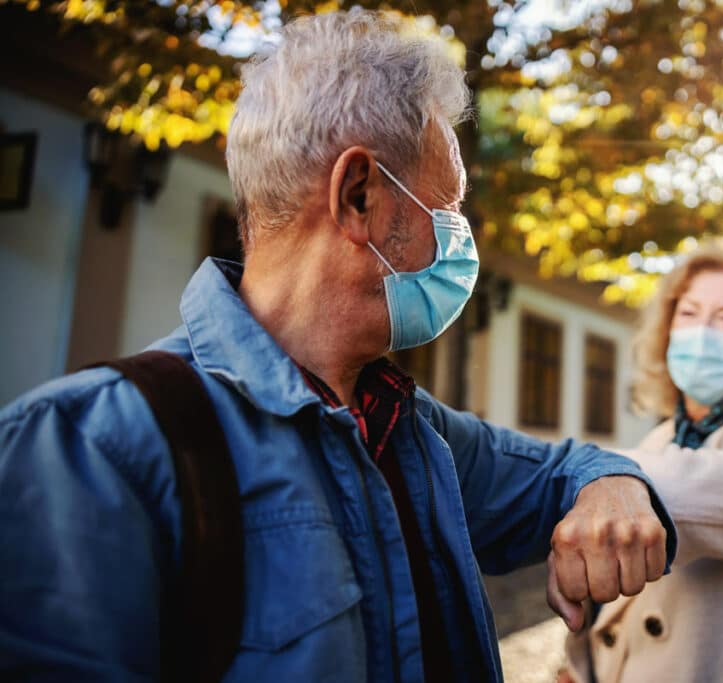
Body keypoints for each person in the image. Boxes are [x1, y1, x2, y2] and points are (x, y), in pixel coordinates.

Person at [0, 11, 676, 682]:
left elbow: (560, 472)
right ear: (358, 195)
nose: (462, 237)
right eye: (450, 206)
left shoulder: (412, 429)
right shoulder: (91, 448)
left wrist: (614, 486)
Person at [562, 246, 723, 683]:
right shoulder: (658, 439)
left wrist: (571, 469)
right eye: (689, 313)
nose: (703, 331)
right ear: (667, 330)